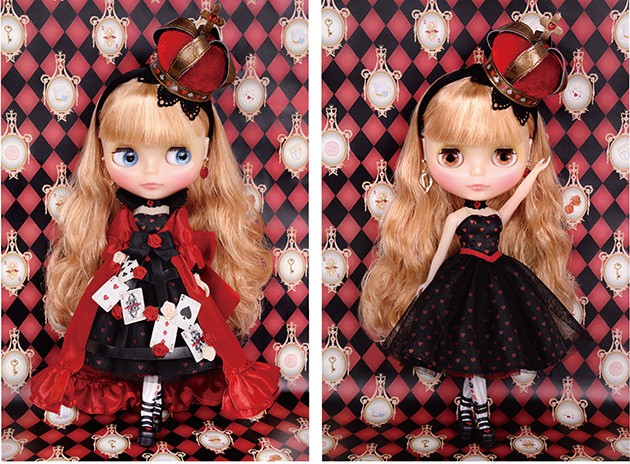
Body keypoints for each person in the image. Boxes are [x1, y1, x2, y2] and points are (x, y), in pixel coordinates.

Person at [30, 7, 279, 447]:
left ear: (205, 154)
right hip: (126, 278)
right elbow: (113, 244)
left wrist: (192, 275)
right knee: (112, 332)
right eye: (128, 155)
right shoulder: (119, 215)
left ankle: (177, 394)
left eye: (178, 155)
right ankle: (112, 393)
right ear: (102, 154)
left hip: (174, 277)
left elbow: (190, 246)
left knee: (186, 331)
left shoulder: (183, 213)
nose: (150, 174)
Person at [359, 18, 588, 448]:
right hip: (459, 280)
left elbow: (515, 202)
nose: (477, 175)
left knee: (482, 348)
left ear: (526, 150)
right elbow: (441, 248)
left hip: (496, 279)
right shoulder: (458, 217)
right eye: (452, 156)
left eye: (503, 155)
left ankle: (473, 409)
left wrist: (533, 173)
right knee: (467, 351)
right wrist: (428, 281)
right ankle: (473, 410)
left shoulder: (497, 215)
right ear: (424, 155)